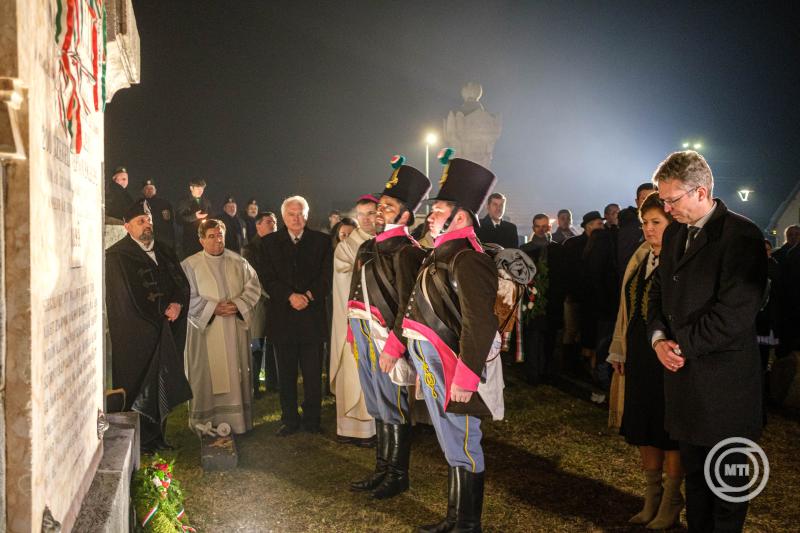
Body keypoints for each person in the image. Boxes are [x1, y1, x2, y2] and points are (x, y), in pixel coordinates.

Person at [648, 150, 767, 532]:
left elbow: (735, 312)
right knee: (696, 486)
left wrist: (680, 346)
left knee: (728, 491)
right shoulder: (676, 234)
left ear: (700, 192)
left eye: (671, 200)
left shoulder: (741, 235)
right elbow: (657, 293)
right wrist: (658, 339)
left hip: (725, 392)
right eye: (663, 200)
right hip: (686, 389)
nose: (666, 208)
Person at [403, 154, 500, 532]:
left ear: (460, 217)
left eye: (439, 209)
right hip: (435, 363)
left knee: (462, 442)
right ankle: (455, 519)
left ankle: (467, 524)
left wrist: (466, 375)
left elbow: (481, 323)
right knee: (450, 441)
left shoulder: (468, 258)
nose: (430, 215)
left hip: (453, 366)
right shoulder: (443, 250)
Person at [347, 157, 431, 499]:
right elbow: (355, 294)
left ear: (406, 215)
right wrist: (353, 333)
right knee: (377, 405)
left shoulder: (408, 252)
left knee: (394, 406)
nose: (379, 212)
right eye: (379, 205)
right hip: (364, 335)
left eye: (389, 206)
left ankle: (398, 475)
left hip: (387, 340)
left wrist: (395, 347)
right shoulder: (368, 245)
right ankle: (381, 469)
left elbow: (409, 307)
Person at [607, 192, 683, 529]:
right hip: (639, 354)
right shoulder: (641, 257)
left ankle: (671, 500)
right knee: (643, 427)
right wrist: (619, 349)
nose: (649, 229)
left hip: (667, 357)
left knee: (668, 429)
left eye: (656, 223)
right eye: (645, 223)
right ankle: (651, 496)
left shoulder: (680, 261)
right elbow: (626, 309)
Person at [106, 199, 193, 453]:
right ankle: (139, 442)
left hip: (168, 332)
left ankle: (159, 438)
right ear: (127, 226)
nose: (146, 225)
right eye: (140, 221)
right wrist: (154, 322)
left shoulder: (166, 251)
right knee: (138, 387)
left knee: (162, 384)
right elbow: (121, 302)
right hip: (136, 339)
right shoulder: (116, 257)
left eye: (149, 220)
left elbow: (182, 285)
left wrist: (177, 304)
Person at [182, 219, 262, 435]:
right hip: (206, 331)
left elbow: (253, 288)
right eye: (211, 236)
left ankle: (237, 422)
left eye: (220, 235)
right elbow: (185, 296)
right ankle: (206, 421)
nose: (217, 240)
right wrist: (212, 308)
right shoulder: (190, 265)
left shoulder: (239, 262)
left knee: (235, 372)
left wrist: (237, 305)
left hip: (232, 328)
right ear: (201, 240)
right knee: (206, 375)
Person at [260, 196, 333, 435]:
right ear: (283, 217)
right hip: (283, 318)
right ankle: (289, 420)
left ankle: (313, 420)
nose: (296, 218)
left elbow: (327, 276)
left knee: (313, 376)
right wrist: (290, 296)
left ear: (307, 215)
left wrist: (308, 296)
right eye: (291, 214)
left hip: (312, 318)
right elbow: (267, 278)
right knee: (287, 375)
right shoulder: (269, 243)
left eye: (300, 213)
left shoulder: (322, 241)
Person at [330, 195, 379, 446]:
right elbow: (343, 282)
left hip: (380, 323)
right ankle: (351, 429)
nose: (367, 219)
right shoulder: (347, 247)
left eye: (371, 213)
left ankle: (377, 428)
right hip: (355, 320)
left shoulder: (385, 241)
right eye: (362, 215)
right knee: (354, 371)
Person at [520, 214, 565, 384]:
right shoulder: (525, 250)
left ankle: (548, 372)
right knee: (533, 337)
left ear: (549, 227)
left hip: (552, 301)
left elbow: (562, 277)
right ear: (533, 228)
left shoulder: (558, 250)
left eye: (545, 226)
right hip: (532, 301)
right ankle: (533, 374)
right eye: (538, 226)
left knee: (550, 338)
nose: (541, 229)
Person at [242, 211, 279, 397]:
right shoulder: (250, 249)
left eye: (274, 221)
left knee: (274, 343)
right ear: (258, 226)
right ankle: (254, 385)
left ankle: (273, 383)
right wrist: (273, 294)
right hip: (260, 302)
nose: (273, 225)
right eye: (268, 222)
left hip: (277, 302)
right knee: (257, 345)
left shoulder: (280, 244)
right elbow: (254, 278)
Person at [617, 183, 657, 281]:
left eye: (653, 197)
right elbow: (626, 264)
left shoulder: (668, 222)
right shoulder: (630, 227)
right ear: (637, 202)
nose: (649, 202)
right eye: (644, 199)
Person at [176, 178, 212, 259]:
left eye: (202, 188)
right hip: (190, 240)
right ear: (191, 188)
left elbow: (211, 217)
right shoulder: (184, 201)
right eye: (198, 188)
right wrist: (194, 217)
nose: (200, 190)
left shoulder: (206, 202)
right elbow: (178, 220)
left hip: (204, 240)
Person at [141, 178, 176, 251]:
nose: (149, 190)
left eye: (151, 188)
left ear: (155, 190)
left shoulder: (164, 203)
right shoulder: (139, 205)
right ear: (143, 191)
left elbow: (170, 222)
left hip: (163, 240)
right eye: (147, 188)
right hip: (146, 240)